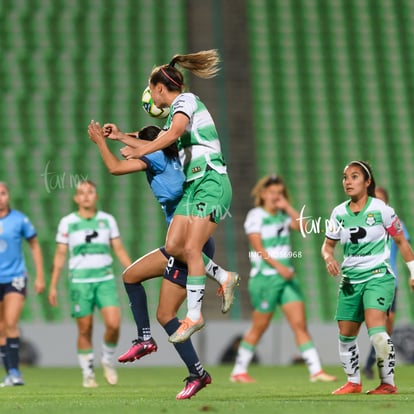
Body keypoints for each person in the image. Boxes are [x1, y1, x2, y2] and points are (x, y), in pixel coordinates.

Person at [88, 122, 233, 399]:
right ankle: (147, 340)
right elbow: (143, 143)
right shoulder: (175, 154)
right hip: (187, 240)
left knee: (166, 315)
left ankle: (196, 372)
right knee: (131, 276)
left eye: (137, 142)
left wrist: (100, 142)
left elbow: (115, 167)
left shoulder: (154, 157)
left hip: (185, 242)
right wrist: (122, 135)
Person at [107, 49, 239, 344]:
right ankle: (223, 276)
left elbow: (172, 132)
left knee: (191, 247)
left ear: (158, 88)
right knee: (173, 244)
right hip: (194, 186)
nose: (152, 98)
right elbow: (161, 137)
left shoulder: (186, 101)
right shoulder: (177, 112)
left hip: (210, 179)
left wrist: (140, 150)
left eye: (152, 91)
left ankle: (195, 314)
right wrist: (119, 136)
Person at [230, 175, 336, 383]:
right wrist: (281, 268)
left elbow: (306, 228)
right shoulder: (255, 215)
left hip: (286, 279)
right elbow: (258, 249)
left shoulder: (283, 216)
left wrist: (287, 207)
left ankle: (316, 371)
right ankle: (238, 370)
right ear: (262, 194)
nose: (276, 197)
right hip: (265, 279)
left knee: (300, 324)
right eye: (272, 193)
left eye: (279, 193)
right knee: (260, 326)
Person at [321, 160, 414, 395]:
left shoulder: (382, 209)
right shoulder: (338, 212)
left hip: (378, 276)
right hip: (351, 281)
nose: (348, 181)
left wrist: (413, 271)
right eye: (345, 177)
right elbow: (327, 246)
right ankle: (354, 382)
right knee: (346, 335)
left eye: (354, 177)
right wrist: (328, 258)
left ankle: (387, 384)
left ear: (367, 181)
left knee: (377, 331)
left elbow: (402, 242)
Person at [48, 180, 132, 388]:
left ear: (96, 196)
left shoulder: (107, 220)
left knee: (113, 324)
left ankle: (107, 360)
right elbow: (60, 255)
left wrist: (133, 270)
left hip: (105, 280)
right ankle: (88, 373)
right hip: (79, 282)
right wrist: (53, 285)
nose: (86, 196)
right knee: (85, 329)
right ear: (76, 198)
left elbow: (119, 249)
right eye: (81, 193)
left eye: (90, 192)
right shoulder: (67, 222)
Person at [363, 187, 410, 379]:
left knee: (387, 327)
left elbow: (404, 245)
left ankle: (369, 364)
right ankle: (383, 373)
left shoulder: (395, 224)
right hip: (372, 280)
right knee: (378, 325)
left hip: (392, 281)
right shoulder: (365, 223)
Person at [0, 182, 45, 387]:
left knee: (10, 322)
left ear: (8, 196)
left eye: (3, 193)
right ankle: (9, 372)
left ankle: (16, 372)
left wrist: (40, 276)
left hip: (15, 277)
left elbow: (34, 245)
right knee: (1, 328)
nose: (0, 197)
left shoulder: (19, 220)